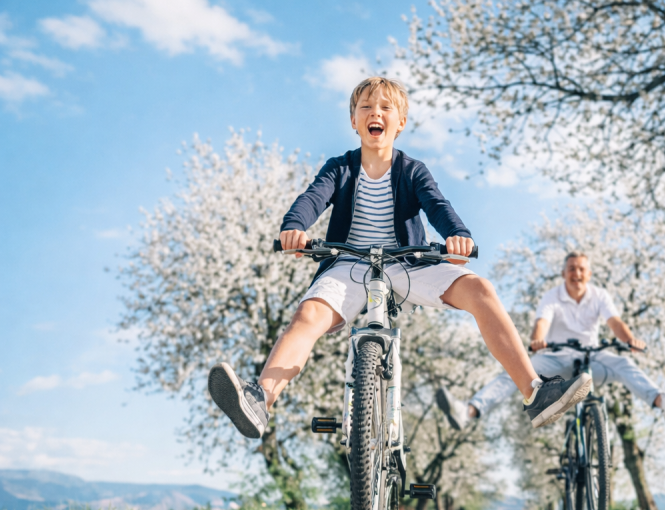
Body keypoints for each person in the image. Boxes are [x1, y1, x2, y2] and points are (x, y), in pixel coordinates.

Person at [206, 77, 592, 438]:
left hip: (408, 263)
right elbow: (311, 199)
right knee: (308, 315)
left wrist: (458, 236)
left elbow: (437, 205)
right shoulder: (339, 168)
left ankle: (535, 392)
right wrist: (294, 227)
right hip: (349, 264)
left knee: (480, 289)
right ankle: (260, 399)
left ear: (400, 122)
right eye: (367, 106)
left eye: (386, 108)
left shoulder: (412, 171)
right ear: (354, 121)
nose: (376, 112)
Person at [436, 251, 665, 430]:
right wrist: (537, 340)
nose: (576, 273)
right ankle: (468, 411)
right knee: (515, 372)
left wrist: (630, 340)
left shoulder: (600, 296)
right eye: (571, 269)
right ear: (564, 273)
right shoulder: (552, 296)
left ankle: (662, 402)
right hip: (554, 358)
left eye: (581, 269)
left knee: (624, 366)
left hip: (593, 358)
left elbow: (615, 323)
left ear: (588, 274)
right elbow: (542, 323)